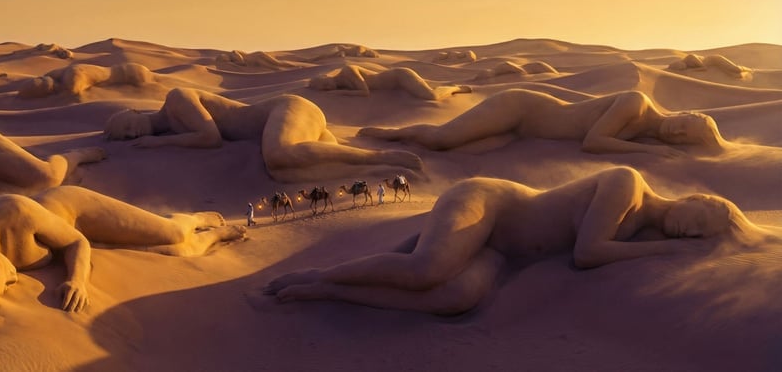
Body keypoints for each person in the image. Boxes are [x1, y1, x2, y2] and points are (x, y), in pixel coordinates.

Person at [264, 166, 761, 315]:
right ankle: (319, 274)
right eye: (702, 220)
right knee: (427, 270)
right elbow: (587, 254)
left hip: (504, 250)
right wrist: (674, 249)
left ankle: (331, 290)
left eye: (701, 237)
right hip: (491, 203)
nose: (692, 232)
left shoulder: (642, 229)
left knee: (454, 299)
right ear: (698, 197)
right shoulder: (627, 184)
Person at [0, 186, 246, 336]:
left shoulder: (14, 213)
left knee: (173, 237)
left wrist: (77, 281)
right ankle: (207, 238)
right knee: (175, 255)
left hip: (75, 211)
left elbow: (77, 243)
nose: (7, 281)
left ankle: (198, 221)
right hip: (59, 230)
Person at [103, 88, 423, 182]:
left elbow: (210, 137)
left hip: (285, 110)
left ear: (134, 112)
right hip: (283, 121)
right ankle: (376, 168)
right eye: (124, 136)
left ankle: (380, 157)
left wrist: (159, 142)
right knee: (286, 172)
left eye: (126, 125)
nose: (130, 133)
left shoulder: (176, 100)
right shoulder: (173, 124)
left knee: (279, 155)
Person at [358, 89, 728, 157]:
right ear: (683, 113)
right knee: (443, 140)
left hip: (525, 127)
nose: (676, 130)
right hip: (522, 108)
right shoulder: (637, 104)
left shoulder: (647, 133)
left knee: (460, 144)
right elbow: (594, 142)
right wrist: (649, 154)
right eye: (685, 122)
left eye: (684, 137)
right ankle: (389, 134)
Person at [308, 65, 471, 100]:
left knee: (431, 96)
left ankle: (454, 87)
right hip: (396, 85)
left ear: (326, 77)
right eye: (323, 89)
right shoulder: (343, 83)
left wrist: (338, 92)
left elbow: (365, 92)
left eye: (324, 84)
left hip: (400, 76)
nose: (327, 88)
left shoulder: (348, 71)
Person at [17, 63, 155, 99]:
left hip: (132, 73)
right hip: (127, 71)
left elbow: (73, 91)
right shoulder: (56, 74)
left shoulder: (71, 78)